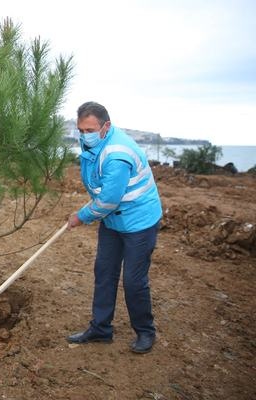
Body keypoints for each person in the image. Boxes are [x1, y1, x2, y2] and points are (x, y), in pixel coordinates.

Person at [66, 101, 162, 354]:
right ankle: (100, 328)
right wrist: (93, 209)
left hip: (139, 222)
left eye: (90, 130)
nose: (85, 136)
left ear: (106, 126)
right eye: (81, 130)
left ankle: (145, 331)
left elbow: (108, 199)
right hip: (113, 220)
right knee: (105, 272)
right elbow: (100, 188)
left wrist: (81, 216)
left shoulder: (117, 154)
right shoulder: (94, 145)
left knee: (133, 281)